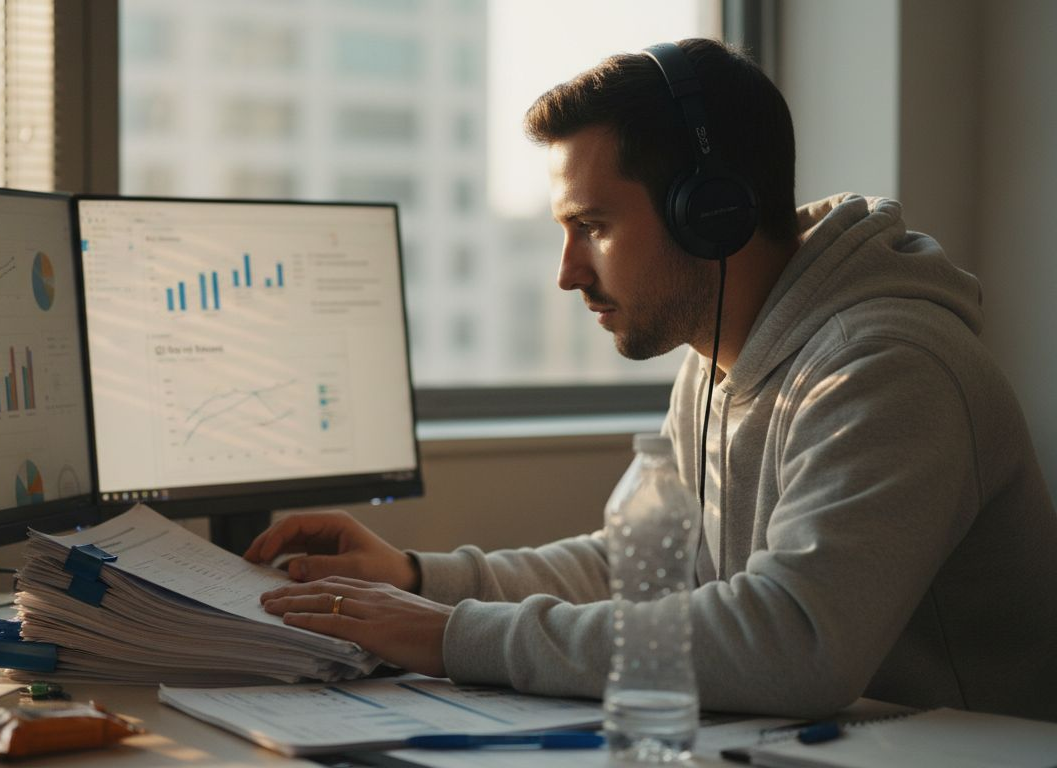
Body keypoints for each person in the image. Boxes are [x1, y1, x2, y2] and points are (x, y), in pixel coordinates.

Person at [245, 38, 1057, 721]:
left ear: (708, 212)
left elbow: (796, 642)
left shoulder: (887, 370)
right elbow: (639, 567)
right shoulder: (716, 359)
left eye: (592, 227)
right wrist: (420, 580)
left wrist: (450, 632)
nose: (567, 274)